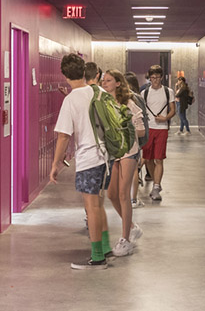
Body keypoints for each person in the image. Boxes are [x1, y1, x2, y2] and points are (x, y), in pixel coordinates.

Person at [50, 53, 113, 270]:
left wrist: (55, 164)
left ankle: (98, 257)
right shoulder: (99, 92)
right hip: (105, 157)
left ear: (65, 75)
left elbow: (64, 136)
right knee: (98, 204)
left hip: (88, 158)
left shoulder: (71, 99)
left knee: (91, 207)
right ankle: (105, 247)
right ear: (84, 72)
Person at [101, 69, 144, 255]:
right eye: (103, 80)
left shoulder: (129, 103)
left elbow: (141, 131)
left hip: (129, 150)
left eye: (108, 80)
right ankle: (132, 226)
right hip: (114, 152)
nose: (104, 83)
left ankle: (125, 239)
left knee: (123, 194)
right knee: (112, 194)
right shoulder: (104, 103)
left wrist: (124, 128)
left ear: (118, 83)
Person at [141, 64, 175, 202]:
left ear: (161, 77)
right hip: (148, 129)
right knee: (148, 158)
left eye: (157, 77)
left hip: (162, 129)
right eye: (153, 77)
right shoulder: (144, 93)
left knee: (159, 159)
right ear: (149, 78)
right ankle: (155, 181)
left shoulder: (168, 92)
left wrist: (165, 118)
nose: (155, 80)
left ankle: (156, 186)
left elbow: (173, 110)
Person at [125, 71, 149, 209]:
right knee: (134, 169)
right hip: (134, 139)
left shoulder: (117, 98)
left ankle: (124, 197)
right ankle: (133, 199)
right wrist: (144, 139)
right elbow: (142, 122)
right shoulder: (137, 99)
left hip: (120, 140)